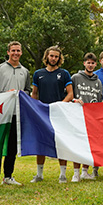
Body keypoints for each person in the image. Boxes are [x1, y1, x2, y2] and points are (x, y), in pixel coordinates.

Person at [0, 41, 31, 188]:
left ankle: (8, 176)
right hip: (0, 114)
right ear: (8, 52)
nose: (16, 53)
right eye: (13, 51)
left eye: (18, 51)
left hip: (16, 114)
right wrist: (4, 94)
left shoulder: (25, 71)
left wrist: (20, 93)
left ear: (21, 53)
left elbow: (28, 91)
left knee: (12, 147)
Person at [30, 46, 74, 183]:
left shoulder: (64, 73)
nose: (53, 58)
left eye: (56, 56)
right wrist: (34, 108)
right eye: (51, 56)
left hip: (59, 112)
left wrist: (60, 105)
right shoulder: (38, 73)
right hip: (43, 113)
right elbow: (34, 93)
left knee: (61, 142)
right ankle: (39, 174)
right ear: (47, 57)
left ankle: (62, 174)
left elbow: (71, 93)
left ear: (59, 58)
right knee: (41, 143)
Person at [71, 52, 103, 181]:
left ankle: (85, 171)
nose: (90, 65)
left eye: (92, 63)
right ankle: (76, 173)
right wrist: (74, 100)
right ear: (84, 63)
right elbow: (68, 95)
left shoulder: (98, 82)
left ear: (96, 64)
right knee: (77, 145)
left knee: (89, 145)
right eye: (88, 63)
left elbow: (100, 101)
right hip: (77, 116)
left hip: (92, 118)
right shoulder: (75, 78)